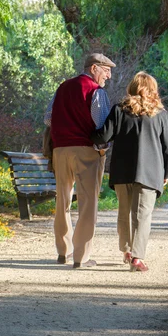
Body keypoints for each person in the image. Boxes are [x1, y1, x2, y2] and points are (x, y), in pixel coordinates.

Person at [91, 71, 168, 272]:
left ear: (132, 88)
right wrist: (166, 172)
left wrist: (85, 130)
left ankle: (127, 251)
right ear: (153, 90)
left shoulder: (119, 110)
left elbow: (103, 136)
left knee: (124, 212)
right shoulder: (160, 114)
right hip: (150, 172)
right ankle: (137, 257)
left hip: (122, 171)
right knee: (142, 215)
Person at [44, 53, 116, 268]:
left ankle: (62, 251)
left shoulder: (63, 87)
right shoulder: (95, 91)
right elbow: (101, 125)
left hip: (60, 150)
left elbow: (48, 118)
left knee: (62, 201)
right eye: (106, 70)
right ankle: (81, 257)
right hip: (86, 150)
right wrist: (103, 150)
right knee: (87, 203)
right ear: (94, 68)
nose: (109, 76)